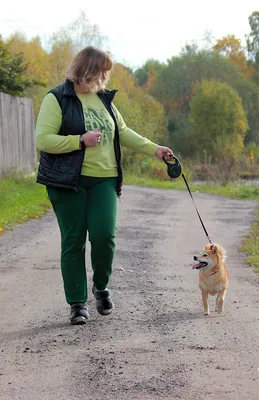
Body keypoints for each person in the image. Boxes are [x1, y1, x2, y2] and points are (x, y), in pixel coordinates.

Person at [35, 46, 174, 325]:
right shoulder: (57, 98)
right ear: (86, 70)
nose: (104, 79)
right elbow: (43, 140)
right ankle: (77, 303)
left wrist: (155, 149)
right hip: (67, 182)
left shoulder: (103, 100)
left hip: (105, 179)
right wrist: (79, 140)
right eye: (102, 72)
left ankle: (101, 285)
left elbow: (122, 132)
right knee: (73, 240)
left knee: (103, 236)